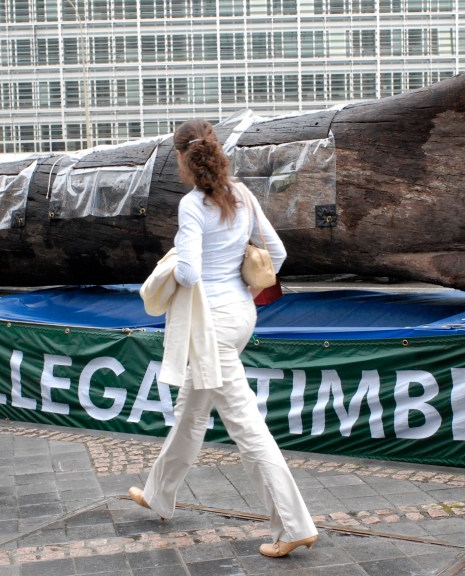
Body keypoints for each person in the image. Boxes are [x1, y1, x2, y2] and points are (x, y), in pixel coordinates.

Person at [129, 119, 318, 558]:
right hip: (240, 314)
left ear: (182, 159)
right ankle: (159, 493)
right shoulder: (243, 194)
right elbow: (279, 254)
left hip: (209, 325)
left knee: (246, 427)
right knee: (192, 411)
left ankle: (294, 524)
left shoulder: (192, 206)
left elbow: (191, 273)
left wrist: (172, 261)